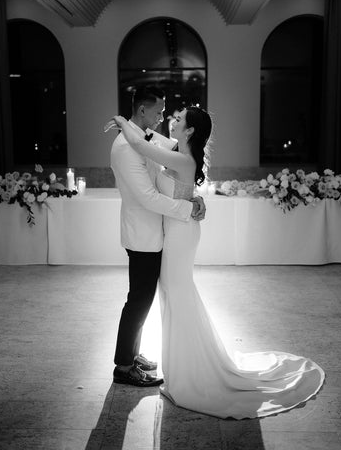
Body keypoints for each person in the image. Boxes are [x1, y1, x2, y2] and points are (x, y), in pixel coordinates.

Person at [110, 106, 325, 419]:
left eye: (179, 119)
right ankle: (183, 364)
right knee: (173, 294)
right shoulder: (176, 151)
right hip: (175, 232)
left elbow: (142, 145)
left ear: (190, 131)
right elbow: (150, 140)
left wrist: (121, 122)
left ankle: (191, 371)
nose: (172, 119)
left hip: (181, 235)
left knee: (178, 294)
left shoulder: (182, 159)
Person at [109, 86, 206, 388]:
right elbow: (148, 197)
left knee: (144, 297)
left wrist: (194, 196)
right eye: (159, 111)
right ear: (141, 111)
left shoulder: (146, 138)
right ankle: (123, 366)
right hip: (143, 232)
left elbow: (181, 157)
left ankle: (131, 353)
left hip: (161, 230)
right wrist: (187, 208)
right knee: (138, 299)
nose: (164, 116)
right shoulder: (126, 148)